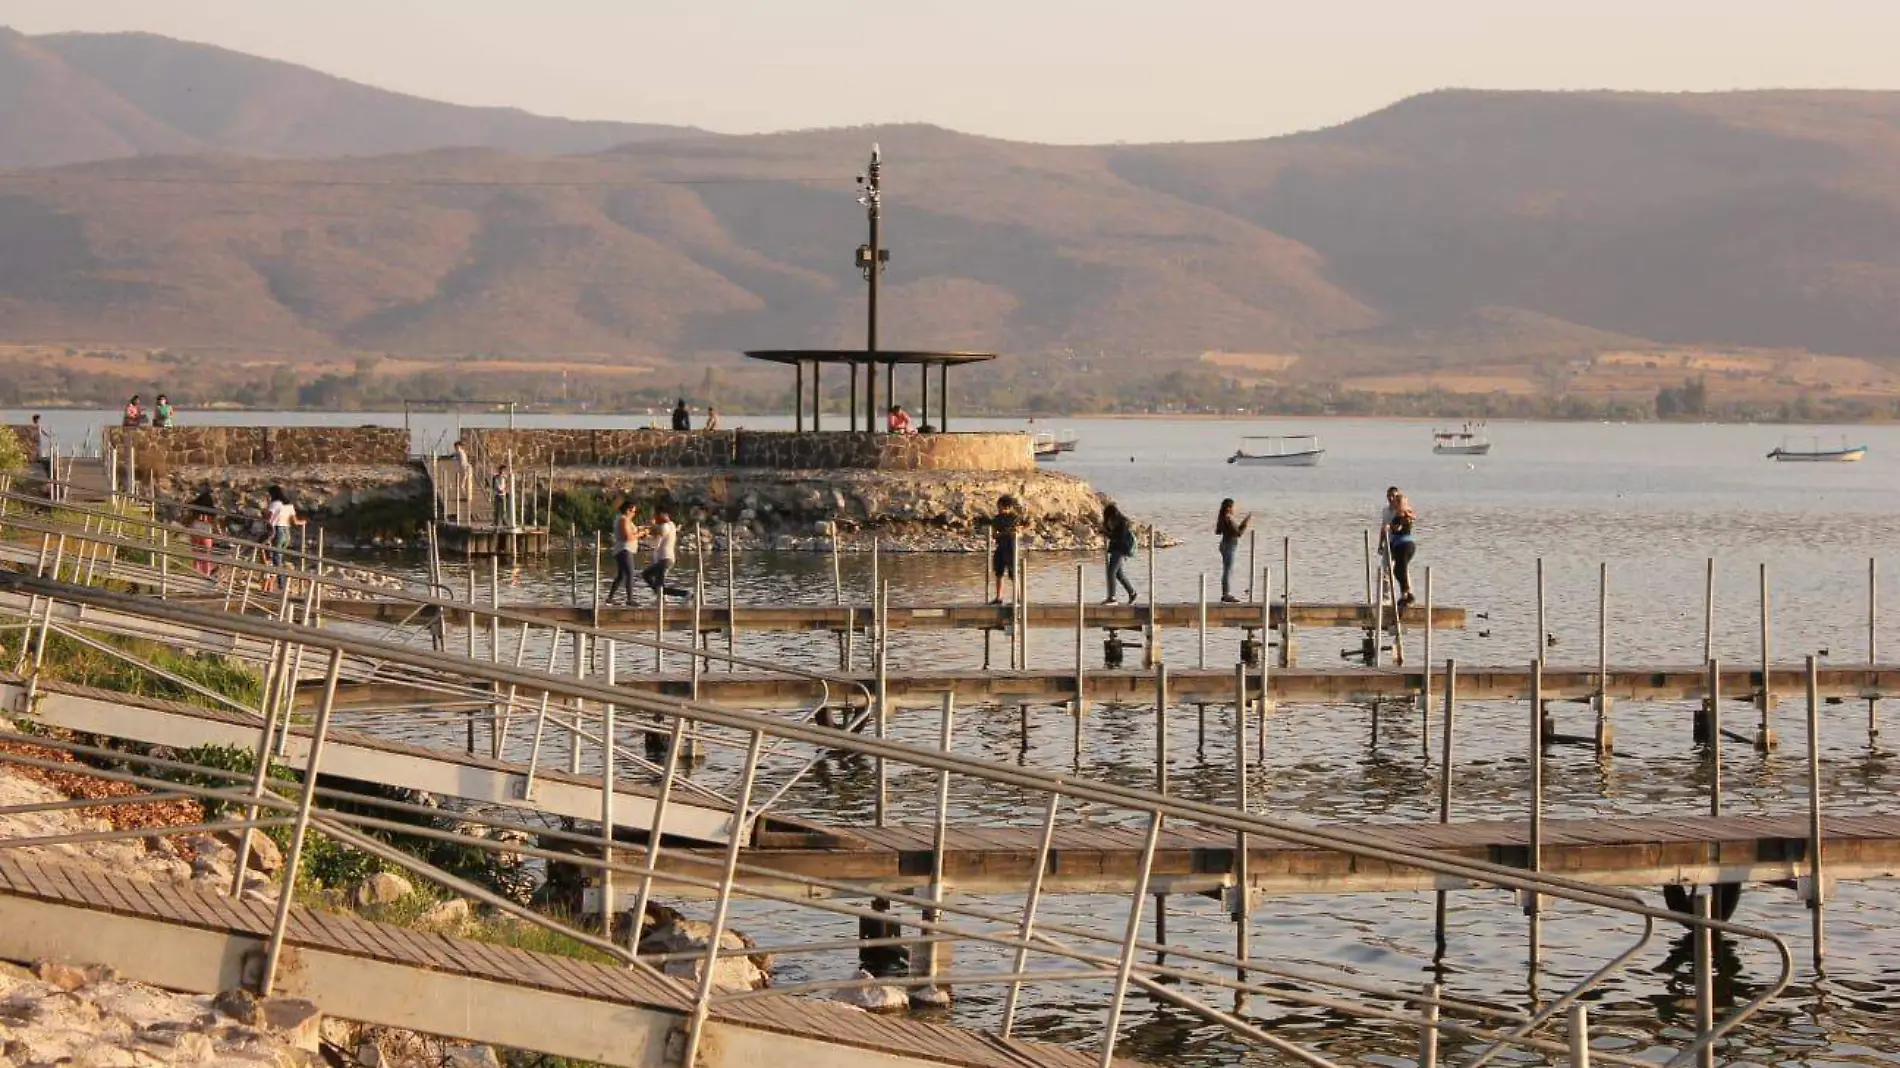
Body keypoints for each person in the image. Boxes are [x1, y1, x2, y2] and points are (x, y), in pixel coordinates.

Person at [263, 486, 304, 592]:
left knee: (276, 558)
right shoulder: (289, 505)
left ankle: (281, 584)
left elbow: (268, 517)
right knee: (278, 557)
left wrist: (268, 503)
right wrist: (303, 522)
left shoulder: (275, 504)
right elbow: (294, 521)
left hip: (277, 531)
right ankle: (274, 583)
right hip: (287, 532)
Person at [640, 509, 689, 598]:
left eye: (655, 516)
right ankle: (662, 597)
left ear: (662, 515)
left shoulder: (665, 527)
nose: (655, 518)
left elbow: (655, 543)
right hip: (666, 559)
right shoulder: (671, 525)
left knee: (648, 576)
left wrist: (646, 534)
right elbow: (658, 534)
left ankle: (685, 594)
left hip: (665, 560)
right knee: (658, 584)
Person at [1382, 486, 1418, 607]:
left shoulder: (1403, 515)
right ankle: (1405, 595)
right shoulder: (1394, 514)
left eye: (1395, 501)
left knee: (1400, 570)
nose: (1392, 501)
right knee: (1397, 571)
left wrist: (1390, 527)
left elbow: (1398, 526)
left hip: (1404, 546)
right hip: (1399, 546)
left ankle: (1407, 596)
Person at [1215, 498, 1253, 603]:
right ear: (1229, 507)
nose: (1234, 509)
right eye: (1233, 507)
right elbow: (1239, 533)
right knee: (1228, 571)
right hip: (1229, 546)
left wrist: (1242, 524)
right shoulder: (1228, 518)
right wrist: (1246, 522)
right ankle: (1226, 594)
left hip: (1224, 545)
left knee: (1226, 570)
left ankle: (1225, 594)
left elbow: (1219, 531)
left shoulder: (1222, 517)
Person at [986, 495, 1022, 605]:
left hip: (1011, 548)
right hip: (1000, 547)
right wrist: (1001, 534)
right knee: (999, 573)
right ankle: (999, 598)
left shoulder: (1015, 517)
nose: (999, 508)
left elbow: (1021, 530)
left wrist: (1016, 531)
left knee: (1013, 574)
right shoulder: (997, 519)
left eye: (1000, 506)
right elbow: (994, 534)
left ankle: (1018, 598)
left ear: (1007, 506)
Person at [605, 501, 641, 605]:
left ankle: (610, 598)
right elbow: (627, 537)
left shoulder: (625, 520)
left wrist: (642, 529)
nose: (634, 514)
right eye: (633, 511)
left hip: (625, 550)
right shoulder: (623, 520)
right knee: (630, 573)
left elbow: (632, 531)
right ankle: (630, 599)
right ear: (627, 510)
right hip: (624, 550)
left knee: (621, 575)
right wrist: (641, 534)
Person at [1101, 503, 1139, 604]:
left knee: (1111, 572)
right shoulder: (1114, 522)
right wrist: (1105, 531)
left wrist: (1106, 533)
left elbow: (1118, 537)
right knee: (1118, 574)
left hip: (1120, 550)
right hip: (1116, 550)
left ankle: (1112, 597)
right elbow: (1113, 535)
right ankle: (1132, 593)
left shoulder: (1122, 522)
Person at [189, 490, 220, 577]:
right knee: (206, 557)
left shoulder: (196, 512)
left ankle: (196, 574)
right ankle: (206, 575)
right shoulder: (211, 514)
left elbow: (189, 520)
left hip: (195, 530)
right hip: (206, 532)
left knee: (196, 556)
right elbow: (215, 524)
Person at [451, 440, 474, 522]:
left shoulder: (460, 452)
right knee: (465, 484)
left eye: (456, 446)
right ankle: (468, 497)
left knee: (462, 485)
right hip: (465, 469)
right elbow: (454, 456)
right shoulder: (460, 452)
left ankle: (467, 497)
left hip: (466, 469)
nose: (455, 448)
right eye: (455, 447)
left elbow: (455, 457)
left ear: (459, 446)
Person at [491, 464, 514, 529]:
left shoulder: (505, 477)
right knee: (496, 509)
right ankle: (495, 522)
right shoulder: (496, 477)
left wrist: (504, 490)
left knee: (503, 509)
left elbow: (507, 484)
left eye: (504, 470)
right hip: (497, 494)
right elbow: (494, 486)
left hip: (503, 495)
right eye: (502, 470)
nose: (503, 471)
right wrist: (498, 490)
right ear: (499, 470)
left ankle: (504, 522)